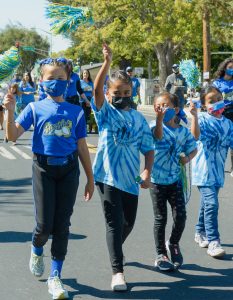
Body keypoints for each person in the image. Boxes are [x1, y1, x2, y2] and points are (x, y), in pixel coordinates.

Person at [3, 57, 94, 300]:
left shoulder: (75, 112)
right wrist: (9, 112)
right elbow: (12, 136)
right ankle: (36, 248)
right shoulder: (34, 108)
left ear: (69, 81)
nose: (55, 82)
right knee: (44, 225)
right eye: (50, 78)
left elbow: (83, 147)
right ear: (41, 81)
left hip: (69, 170)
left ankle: (55, 276)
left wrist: (90, 178)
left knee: (62, 225)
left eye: (60, 78)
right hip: (43, 169)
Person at [92, 44, 154, 291]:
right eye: (117, 92)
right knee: (114, 224)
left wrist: (147, 170)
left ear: (133, 92)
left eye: (127, 91)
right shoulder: (105, 113)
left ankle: (115, 248)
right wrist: (106, 62)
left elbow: (148, 148)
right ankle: (117, 271)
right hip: (106, 177)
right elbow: (96, 90)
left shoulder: (139, 119)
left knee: (128, 223)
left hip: (131, 179)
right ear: (109, 94)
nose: (122, 96)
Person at [150, 92, 197, 271]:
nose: (162, 108)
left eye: (166, 105)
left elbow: (193, 148)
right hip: (156, 182)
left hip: (175, 180)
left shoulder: (183, 131)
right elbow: (159, 136)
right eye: (159, 106)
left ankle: (173, 243)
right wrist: (160, 118)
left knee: (181, 216)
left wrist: (187, 158)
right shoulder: (154, 125)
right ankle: (161, 254)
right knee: (160, 218)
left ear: (176, 109)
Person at [190, 86, 233, 258]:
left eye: (218, 99)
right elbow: (195, 137)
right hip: (203, 170)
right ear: (203, 104)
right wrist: (193, 116)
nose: (216, 103)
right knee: (212, 203)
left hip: (217, 172)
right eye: (211, 101)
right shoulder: (201, 118)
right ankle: (214, 241)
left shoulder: (228, 123)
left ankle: (199, 231)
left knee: (207, 203)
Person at [212, 58, 233, 177]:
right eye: (230, 67)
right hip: (221, 114)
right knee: (220, 140)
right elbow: (211, 99)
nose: (232, 70)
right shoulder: (217, 83)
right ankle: (217, 165)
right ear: (224, 68)